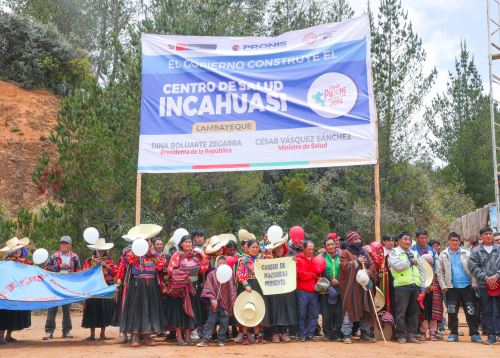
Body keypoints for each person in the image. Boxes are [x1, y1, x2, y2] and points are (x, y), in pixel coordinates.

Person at [117, 236, 165, 347]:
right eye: (145, 240)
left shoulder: (155, 255)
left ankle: (147, 337)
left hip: (152, 285)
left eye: (148, 240)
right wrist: (137, 249)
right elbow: (130, 260)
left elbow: (160, 266)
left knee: (149, 310)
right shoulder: (132, 253)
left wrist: (152, 253)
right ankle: (135, 336)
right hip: (137, 284)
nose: (147, 242)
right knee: (136, 310)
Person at [436, 232, 481, 343]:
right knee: (452, 311)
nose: (454, 242)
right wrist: (444, 286)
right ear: (448, 241)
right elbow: (439, 272)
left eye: (456, 240)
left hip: (467, 287)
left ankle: (474, 333)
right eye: (452, 240)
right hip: (451, 288)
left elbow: (474, 269)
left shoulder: (467, 253)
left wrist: (474, 283)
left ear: (459, 241)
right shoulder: (443, 254)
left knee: (471, 311)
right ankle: (453, 333)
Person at [164, 235, 209, 346]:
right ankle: (179, 337)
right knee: (179, 312)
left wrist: (204, 256)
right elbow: (170, 270)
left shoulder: (196, 256)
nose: (188, 244)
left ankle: (188, 337)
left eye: (190, 242)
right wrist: (183, 275)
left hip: (193, 287)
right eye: (186, 242)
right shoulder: (177, 255)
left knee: (190, 312)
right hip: (180, 288)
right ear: (181, 244)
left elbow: (203, 269)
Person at [339, 230, 376, 344]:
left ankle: (365, 333)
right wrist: (356, 261)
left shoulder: (364, 252)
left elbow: (373, 265)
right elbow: (343, 266)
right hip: (351, 289)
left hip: (364, 288)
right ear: (350, 241)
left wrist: (368, 272)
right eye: (355, 239)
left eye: (359, 239)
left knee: (366, 309)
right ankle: (347, 334)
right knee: (349, 310)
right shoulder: (345, 253)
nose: (358, 241)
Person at [389, 232, 425, 344]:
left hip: (415, 286)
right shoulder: (394, 252)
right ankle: (401, 335)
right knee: (401, 312)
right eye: (405, 239)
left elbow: (422, 270)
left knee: (414, 312)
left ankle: (412, 335)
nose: (407, 241)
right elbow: (397, 266)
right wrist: (410, 262)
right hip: (402, 286)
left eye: (409, 239)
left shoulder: (414, 253)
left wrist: (423, 287)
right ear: (398, 241)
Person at [43, 236, 81, 340]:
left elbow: (79, 271)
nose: (63, 245)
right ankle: (49, 332)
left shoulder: (75, 257)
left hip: (68, 286)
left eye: (66, 243)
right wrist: (59, 267)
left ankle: (67, 331)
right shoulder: (53, 256)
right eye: (62, 243)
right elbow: (45, 269)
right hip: (54, 286)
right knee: (52, 308)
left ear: (70, 245)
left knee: (67, 310)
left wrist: (75, 281)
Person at [263, 234, 298, 343]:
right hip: (272, 291)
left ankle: (283, 332)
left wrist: (293, 262)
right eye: (276, 248)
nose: (279, 250)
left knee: (285, 310)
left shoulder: (289, 260)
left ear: (284, 248)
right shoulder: (267, 259)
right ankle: (275, 333)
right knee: (274, 309)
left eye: (281, 247)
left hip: (285, 290)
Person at [468, 226, 500, 345]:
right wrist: (486, 278)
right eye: (485, 234)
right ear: (481, 236)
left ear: (492, 235)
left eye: (490, 233)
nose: (488, 236)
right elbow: (473, 267)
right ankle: (491, 335)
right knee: (487, 310)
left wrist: (497, 276)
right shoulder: (476, 251)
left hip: (499, 283)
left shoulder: (499, 248)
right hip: (483, 284)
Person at [81, 238, 117, 341]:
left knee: (103, 311)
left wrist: (105, 266)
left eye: (102, 250)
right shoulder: (89, 261)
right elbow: (84, 273)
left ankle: (102, 334)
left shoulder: (109, 261)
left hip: (105, 288)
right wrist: (94, 266)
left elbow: (116, 272)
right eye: (99, 250)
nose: (100, 252)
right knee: (91, 310)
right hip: (92, 289)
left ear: (105, 251)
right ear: (95, 250)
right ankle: (92, 335)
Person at [197, 255, 237, 347]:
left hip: (225, 304)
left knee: (224, 322)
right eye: (219, 263)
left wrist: (230, 304)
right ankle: (205, 339)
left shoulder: (229, 275)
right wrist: (212, 299)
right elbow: (208, 287)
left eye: (223, 263)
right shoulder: (211, 274)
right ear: (216, 264)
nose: (221, 265)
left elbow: (232, 290)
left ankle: (221, 340)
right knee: (210, 321)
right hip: (213, 303)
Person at [236, 239, 269, 344]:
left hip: (259, 286)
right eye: (252, 247)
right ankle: (245, 336)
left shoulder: (262, 259)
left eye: (256, 247)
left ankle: (257, 336)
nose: (255, 249)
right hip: (248, 286)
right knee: (247, 308)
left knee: (258, 309)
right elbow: (239, 273)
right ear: (247, 248)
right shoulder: (243, 260)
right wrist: (246, 284)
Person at [0, 237, 32, 344]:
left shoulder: (25, 262)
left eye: (19, 249)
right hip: (7, 293)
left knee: (14, 314)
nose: (17, 251)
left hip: (20, 293)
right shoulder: (6, 263)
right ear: (11, 252)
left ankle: (9, 336)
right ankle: (1, 337)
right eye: (15, 250)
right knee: (5, 313)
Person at [319, 236, 342, 342]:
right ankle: (327, 334)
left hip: (339, 287)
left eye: (332, 244)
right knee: (326, 312)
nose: (331, 246)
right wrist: (331, 279)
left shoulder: (340, 256)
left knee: (338, 312)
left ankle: (337, 334)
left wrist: (337, 279)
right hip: (326, 288)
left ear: (335, 245)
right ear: (325, 247)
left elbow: (343, 269)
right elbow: (320, 270)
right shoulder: (321, 257)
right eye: (328, 245)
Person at [296, 240, 319, 341]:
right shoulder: (298, 260)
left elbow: (318, 274)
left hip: (313, 290)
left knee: (313, 313)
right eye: (309, 249)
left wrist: (314, 276)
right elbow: (300, 275)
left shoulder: (316, 260)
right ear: (304, 249)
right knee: (302, 313)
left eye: (312, 249)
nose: (311, 251)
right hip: (302, 290)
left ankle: (310, 334)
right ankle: (302, 333)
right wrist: (312, 275)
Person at [418, 254, 443, 341]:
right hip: (423, 296)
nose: (429, 264)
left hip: (434, 296)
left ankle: (433, 333)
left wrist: (433, 288)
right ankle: (423, 333)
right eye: (427, 263)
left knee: (434, 316)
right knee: (424, 315)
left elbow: (439, 284)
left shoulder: (436, 273)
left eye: (430, 263)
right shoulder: (419, 273)